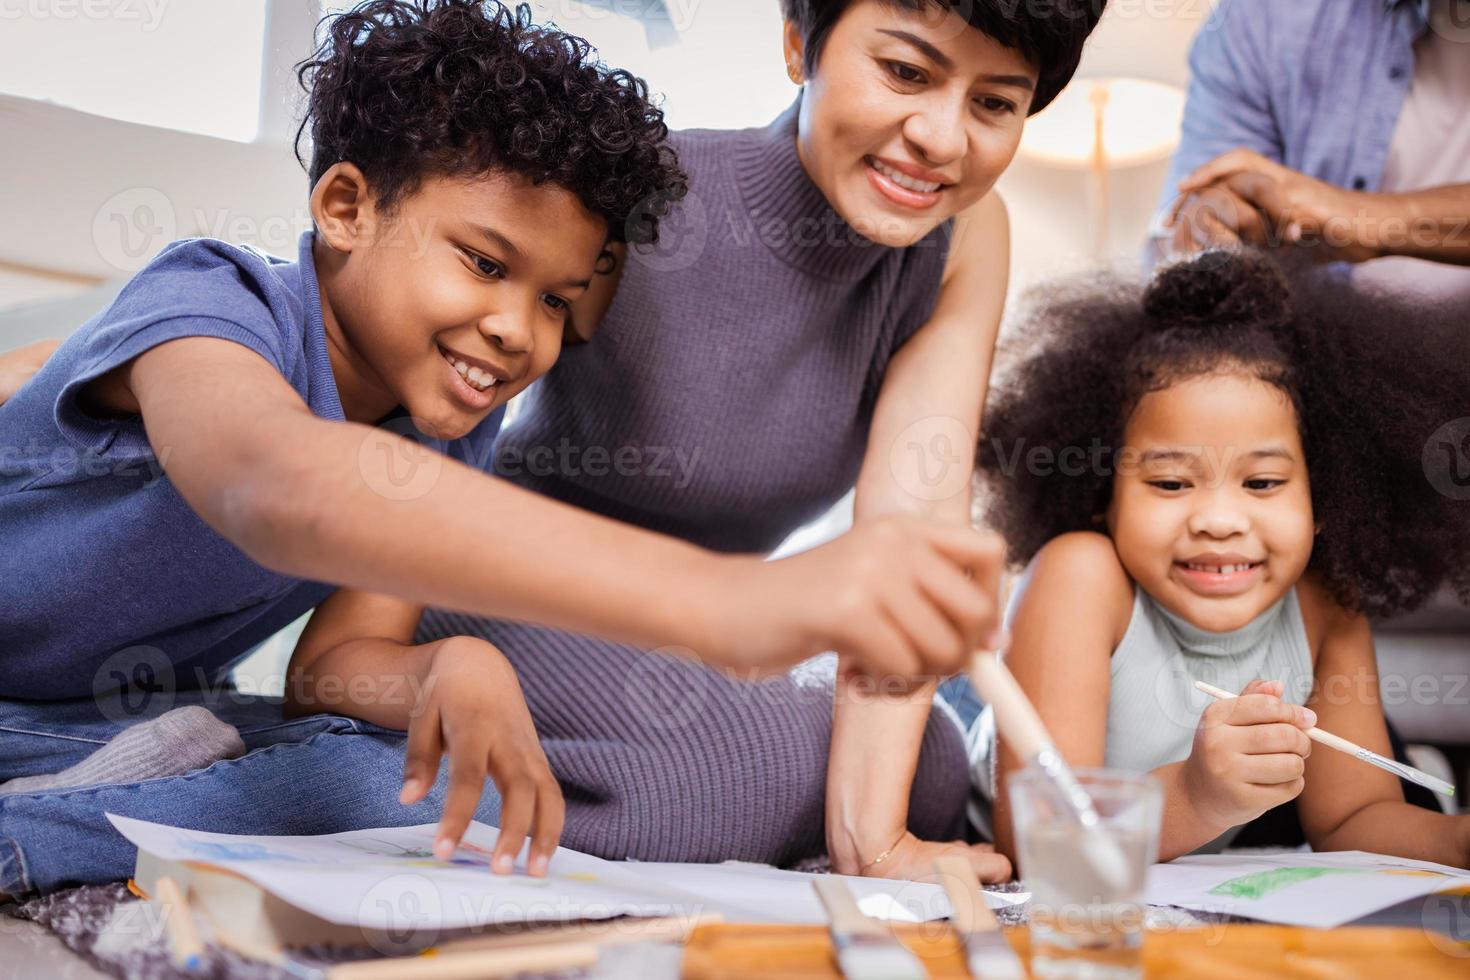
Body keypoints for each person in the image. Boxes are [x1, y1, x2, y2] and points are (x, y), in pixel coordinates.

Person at [0, 0, 1008, 898]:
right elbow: (275, 481)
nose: (518, 331)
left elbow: (336, 665)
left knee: (361, 779)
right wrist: (734, 603)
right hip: (59, 708)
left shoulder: (450, 417)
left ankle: (94, 792)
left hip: (94, 715)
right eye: (485, 262)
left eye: (558, 303)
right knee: (323, 778)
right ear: (346, 207)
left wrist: (444, 667)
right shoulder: (212, 301)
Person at [295, 0, 1105, 884]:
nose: (942, 138)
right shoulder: (630, 195)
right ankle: (307, 776)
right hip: (521, 593)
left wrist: (871, 844)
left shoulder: (964, 240)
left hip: (712, 636)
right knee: (740, 765)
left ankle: (533, 788)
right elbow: (441, 419)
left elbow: (912, 524)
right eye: (906, 73)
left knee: (935, 765)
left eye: (996, 104)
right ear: (799, 43)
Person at [969, 248, 1470, 864]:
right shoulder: (1080, 576)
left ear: (1326, 494)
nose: (1218, 521)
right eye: (1171, 484)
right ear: (1103, 494)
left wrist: (1458, 840)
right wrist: (1195, 794)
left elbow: (1352, 819)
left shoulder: (1324, 603)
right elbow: (1039, 841)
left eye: (1262, 483)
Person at [1157, 0, 1470, 302]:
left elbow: (1352, 220)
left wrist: (1361, 217)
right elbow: (1193, 217)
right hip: (1306, 337)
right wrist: (1222, 220)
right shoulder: (1260, 15)